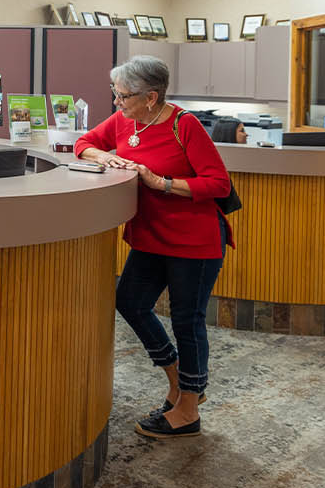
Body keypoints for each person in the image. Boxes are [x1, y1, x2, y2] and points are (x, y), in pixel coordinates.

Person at [74, 55, 232, 439]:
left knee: (186, 321)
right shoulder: (126, 121)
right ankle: (179, 380)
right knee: (129, 302)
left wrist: (160, 182)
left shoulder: (184, 125)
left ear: (151, 97)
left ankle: (190, 409)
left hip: (193, 240)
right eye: (116, 93)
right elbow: (84, 143)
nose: (117, 102)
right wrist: (108, 156)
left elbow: (218, 184)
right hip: (150, 237)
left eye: (124, 95)